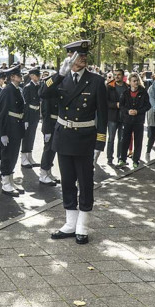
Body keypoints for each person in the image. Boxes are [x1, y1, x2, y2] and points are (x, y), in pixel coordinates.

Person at [41, 40, 107, 245]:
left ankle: (83, 226)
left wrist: (99, 144)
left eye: (85, 55)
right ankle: (70, 223)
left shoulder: (96, 81)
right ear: (69, 58)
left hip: (85, 139)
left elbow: (103, 116)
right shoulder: (60, 79)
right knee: (67, 181)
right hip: (64, 138)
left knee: (85, 183)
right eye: (79, 54)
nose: (84, 57)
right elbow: (42, 93)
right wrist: (59, 74)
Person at [0, 65, 26, 197]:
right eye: (18, 75)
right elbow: (2, 112)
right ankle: (5, 183)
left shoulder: (16, 89)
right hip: (9, 127)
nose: (21, 77)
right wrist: (2, 133)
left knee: (14, 154)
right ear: (12, 77)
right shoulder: (7, 90)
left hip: (17, 126)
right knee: (7, 155)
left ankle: (10, 180)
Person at [118, 73, 150, 168]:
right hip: (127, 120)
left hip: (138, 120)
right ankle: (122, 159)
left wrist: (138, 111)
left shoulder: (143, 92)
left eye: (137, 81)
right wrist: (128, 111)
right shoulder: (125, 93)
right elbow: (121, 105)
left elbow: (147, 105)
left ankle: (136, 160)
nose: (136, 83)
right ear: (130, 82)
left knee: (138, 141)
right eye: (134, 81)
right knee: (125, 141)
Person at [38, 70, 60, 185]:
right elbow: (45, 113)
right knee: (48, 150)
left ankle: (48, 172)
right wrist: (46, 130)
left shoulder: (56, 90)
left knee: (53, 150)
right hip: (50, 124)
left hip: (56, 123)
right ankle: (43, 174)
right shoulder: (47, 93)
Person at [21, 67, 42, 168]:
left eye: (38, 75)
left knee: (32, 135)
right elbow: (25, 104)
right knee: (27, 136)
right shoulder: (27, 87)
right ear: (31, 76)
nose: (38, 77)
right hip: (29, 114)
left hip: (35, 113)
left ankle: (29, 156)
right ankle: (24, 158)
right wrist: (25, 119)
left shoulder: (38, 86)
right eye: (36, 75)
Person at [106, 69, 126, 165]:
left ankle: (120, 158)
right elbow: (105, 102)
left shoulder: (127, 87)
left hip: (124, 117)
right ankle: (110, 158)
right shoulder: (109, 86)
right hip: (112, 117)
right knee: (111, 139)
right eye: (115, 75)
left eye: (119, 75)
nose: (117, 76)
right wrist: (115, 105)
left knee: (122, 139)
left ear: (123, 76)